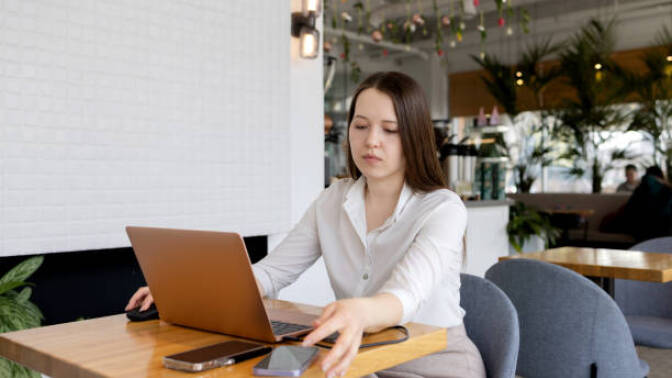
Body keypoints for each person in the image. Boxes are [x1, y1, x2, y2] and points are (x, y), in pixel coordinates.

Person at [126, 72, 486, 378]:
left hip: (434, 365)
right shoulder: (333, 200)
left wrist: (358, 310)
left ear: (414, 136)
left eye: (389, 130)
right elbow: (272, 273)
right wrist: (188, 290)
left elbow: (406, 295)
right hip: (360, 359)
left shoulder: (442, 208)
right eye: (360, 126)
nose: (371, 140)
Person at [621, 165, 672, 242]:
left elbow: (629, 209)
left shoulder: (640, 188)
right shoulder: (667, 189)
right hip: (663, 230)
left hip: (639, 230)